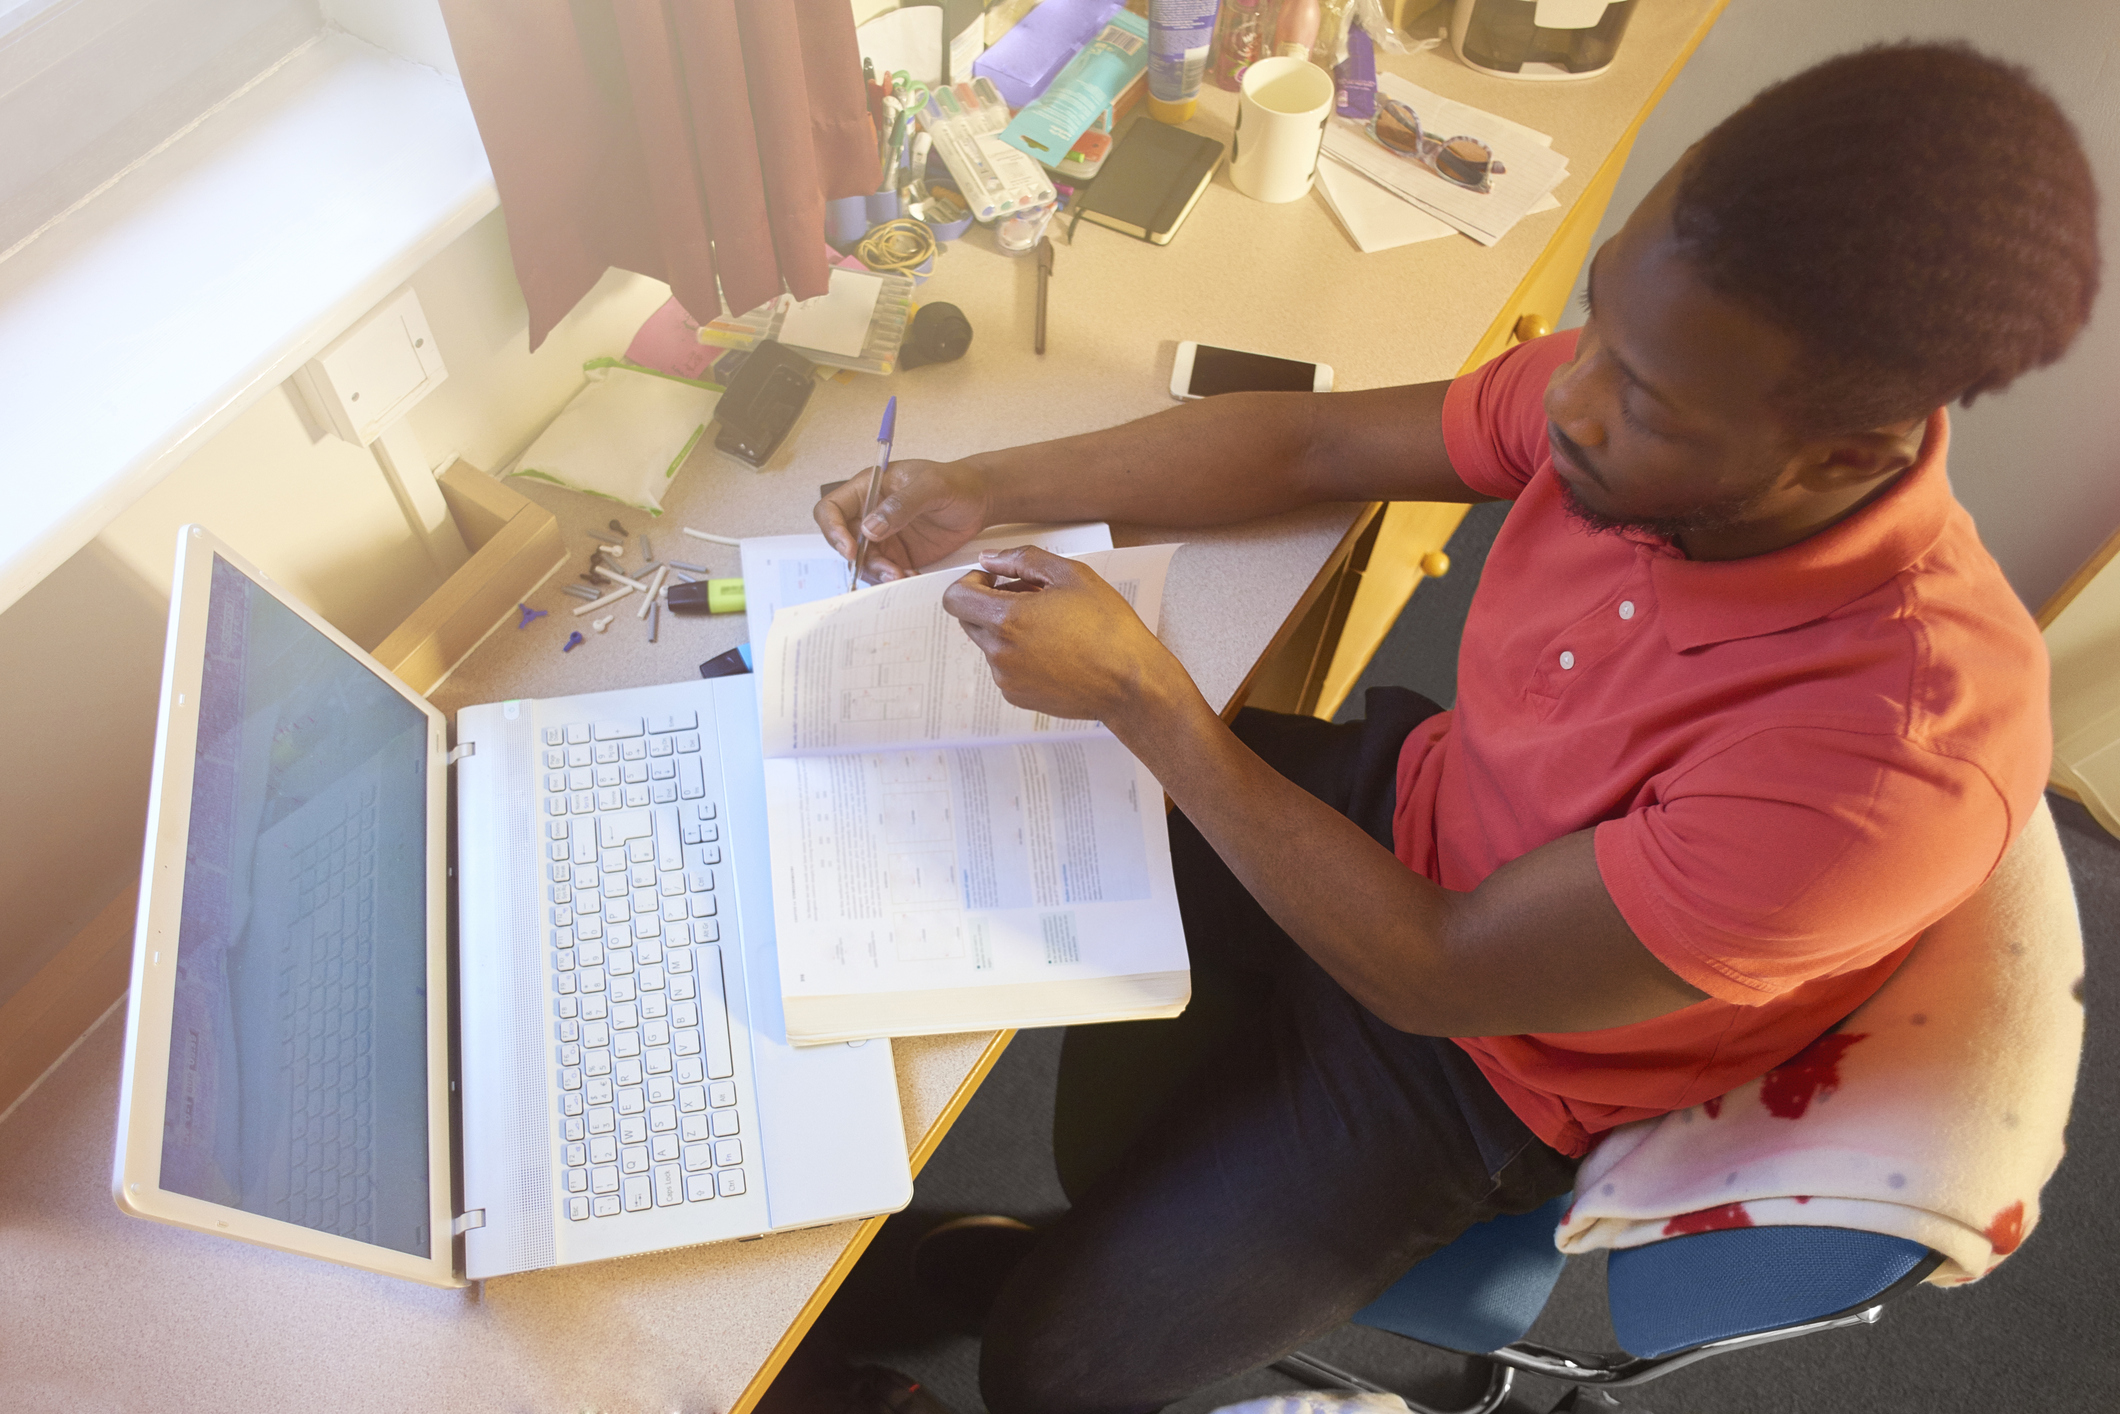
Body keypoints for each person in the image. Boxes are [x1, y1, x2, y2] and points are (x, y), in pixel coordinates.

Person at [812, 42, 2099, 1414]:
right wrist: (982, 484)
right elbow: (1314, 447)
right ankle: (1045, 1245)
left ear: (1848, 456)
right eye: (1604, 321)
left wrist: (1144, 695)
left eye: (1643, 397)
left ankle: (1036, 1284)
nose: (1568, 401)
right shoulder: (1663, 382)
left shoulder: (1886, 767)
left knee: (1053, 1373)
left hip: (1487, 1056)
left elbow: (1441, 974)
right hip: (1416, 807)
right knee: (901, 813)